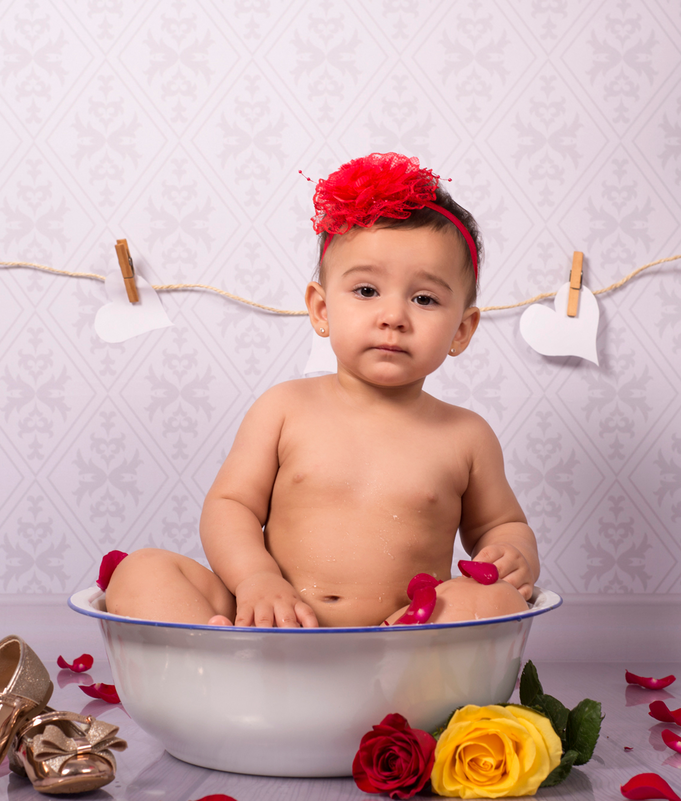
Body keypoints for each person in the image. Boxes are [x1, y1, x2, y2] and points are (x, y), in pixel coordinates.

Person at [106, 153, 539, 628]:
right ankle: (223, 668)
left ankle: (395, 675)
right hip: (272, 622)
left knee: (496, 600)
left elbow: (500, 524)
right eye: (367, 291)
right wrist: (256, 578)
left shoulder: (466, 436)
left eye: (424, 299)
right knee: (141, 570)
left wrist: (513, 553)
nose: (393, 316)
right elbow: (231, 506)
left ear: (462, 329)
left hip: (399, 635)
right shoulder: (285, 408)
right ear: (320, 309)